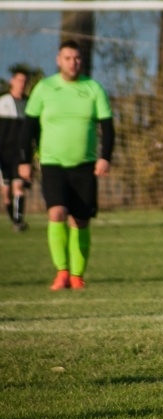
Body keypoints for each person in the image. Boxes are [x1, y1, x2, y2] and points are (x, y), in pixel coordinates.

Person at [18, 40, 115, 291]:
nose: (73, 62)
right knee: (56, 213)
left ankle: (77, 276)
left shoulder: (93, 88)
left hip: (85, 166)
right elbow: (28, 127)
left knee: (80, 221)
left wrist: (105, 156)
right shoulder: (44, 88)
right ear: (58, 60)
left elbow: (107, 126)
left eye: (77, 58)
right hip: (53, 164)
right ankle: (61, 273)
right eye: (68, 58)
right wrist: (24, 160)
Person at [0, 67, 30, 232]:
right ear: (12, 81)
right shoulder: (2, 102)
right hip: (3, 154)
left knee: (19, 186)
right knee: (6, 191)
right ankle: (13, 217)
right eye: (19, 80)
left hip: (20, 154)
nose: (21, 84)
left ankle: (18, 221)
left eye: (24, 81)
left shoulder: (29, 104)